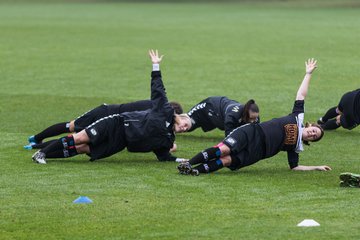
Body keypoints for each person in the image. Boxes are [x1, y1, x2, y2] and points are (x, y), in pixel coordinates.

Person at [31, 49, 189, 164]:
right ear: (181, 117)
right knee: (79, 137)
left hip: (120, 142)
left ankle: (45, 154)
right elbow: (158, 89)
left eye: (186, 129)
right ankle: (41, 152)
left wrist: (182, 160)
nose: (184, 128)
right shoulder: (165, 110)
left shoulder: (167, 139)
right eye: (185, 124)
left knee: (84, 149)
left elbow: (164, 157)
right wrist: (155, 66)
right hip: (116, 123)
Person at [178, 58, 331, 176]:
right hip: (253, 132)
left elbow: (295, 167)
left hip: (258, 153)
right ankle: (189, 164)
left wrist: (316, 167)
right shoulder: (297, 118)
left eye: (314, 137)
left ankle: (196, 171)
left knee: (226, 161)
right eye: (314, 131)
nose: (312, 134)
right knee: (224, 149)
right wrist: (308, 74)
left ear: (310, 140)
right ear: (310, 126)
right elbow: (301, 95)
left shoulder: (296, 147)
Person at [24, 100, 183, 150]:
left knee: (79, 138)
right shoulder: (156, 111)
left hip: (113, 121)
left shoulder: (156, 110)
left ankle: (37, 145)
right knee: (73, 128)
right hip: (106, 113)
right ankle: (36, 140)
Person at [185, 97, 260, 136]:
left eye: (255, 118)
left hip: (218, 117)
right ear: (245, 114)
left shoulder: (254, 117)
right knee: (186, 125)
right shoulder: (233, 115)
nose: (253, 121)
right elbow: (229, 135)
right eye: (251, 118)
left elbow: (256, 133)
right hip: (210, 106)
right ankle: (174, 116)